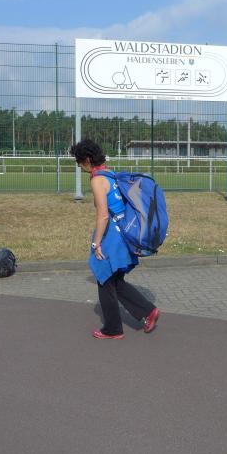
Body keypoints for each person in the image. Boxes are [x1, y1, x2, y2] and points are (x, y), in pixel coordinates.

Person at [70, 139, 160, 339]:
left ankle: (113, 329)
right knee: (115, 280)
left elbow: (103, 215)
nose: (79, 166)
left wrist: (96, 243)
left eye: (79, 162)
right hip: (124, 232)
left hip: (112, 235)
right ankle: (148, 311)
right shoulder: (110, 174)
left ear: (87, 159)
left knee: (104, 276)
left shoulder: (97, 180)